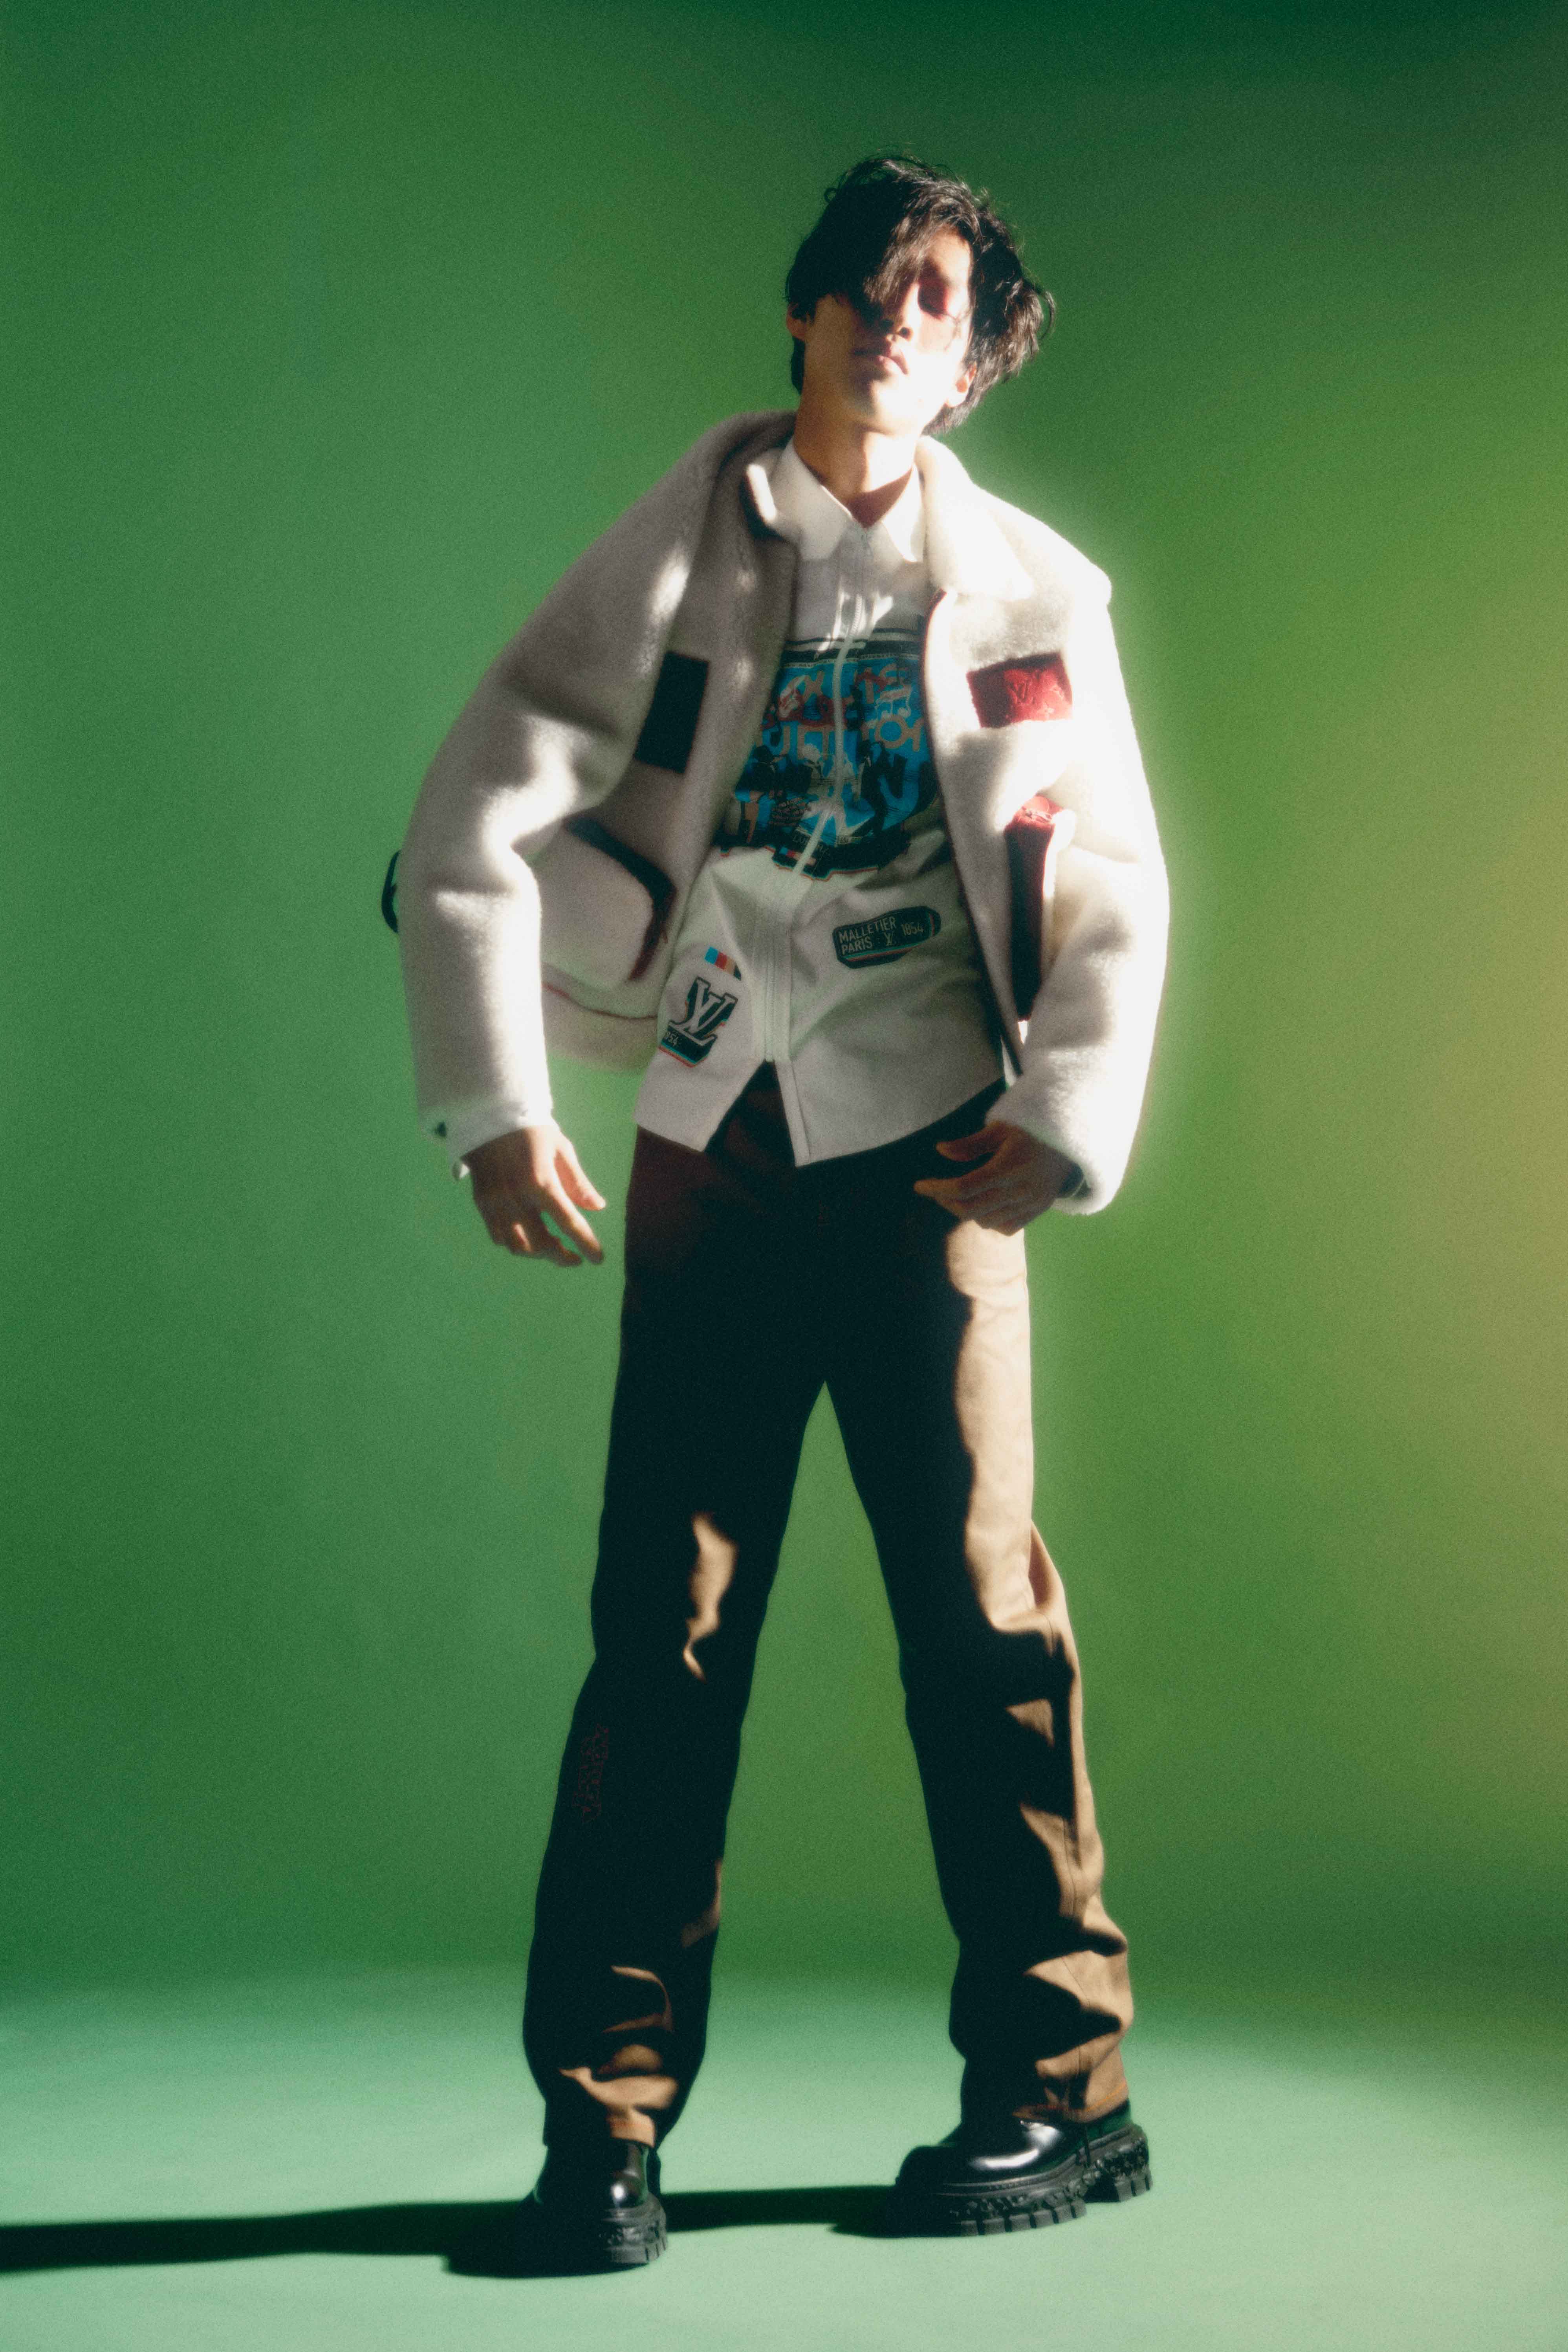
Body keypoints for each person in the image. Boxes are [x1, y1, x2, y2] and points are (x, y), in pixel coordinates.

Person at [394, 154, 1169, 2267]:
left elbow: (1112, 876)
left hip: (936, 1144)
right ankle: (602, 2128)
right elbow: (474, 799)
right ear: (808, 308)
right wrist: (492, 1099)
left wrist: (1066, 1109)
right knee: (662, 1632)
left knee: (982, 1621)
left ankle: (1062, 2089)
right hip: (716, 1125)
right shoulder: (679, 545)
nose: (898, 321)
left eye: (940, 301)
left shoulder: (1037, 591)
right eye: (872, 284)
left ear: (972, 361)